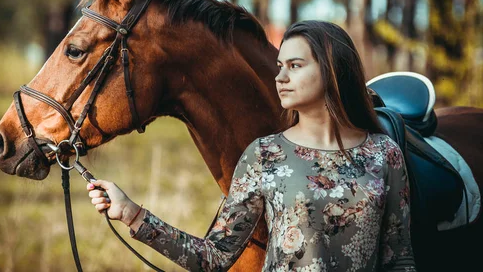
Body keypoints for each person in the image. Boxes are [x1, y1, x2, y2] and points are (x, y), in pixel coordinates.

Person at [88, 20, 416, 271]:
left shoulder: (384, 154)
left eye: (295, 66)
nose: (280, 78)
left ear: (332, 70)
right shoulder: (264, 155)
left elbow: (398, 259)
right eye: (279, 66)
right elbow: (214, 257)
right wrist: (132, 215)